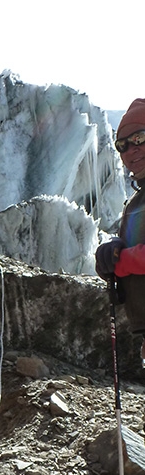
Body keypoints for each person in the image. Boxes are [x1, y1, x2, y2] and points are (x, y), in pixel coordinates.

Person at [96, 99, 145, 361]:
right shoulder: (136, 202)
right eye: (122, 145)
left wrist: (122, 261)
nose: (131, 150)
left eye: (139, 138)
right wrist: (110, 255)